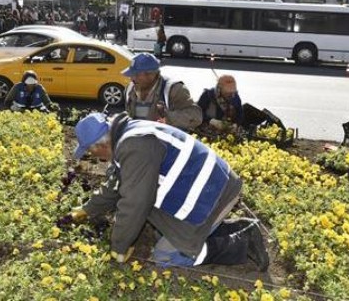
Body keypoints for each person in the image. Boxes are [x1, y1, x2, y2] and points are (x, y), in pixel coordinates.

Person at [58, 112, 269, 271]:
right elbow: (115, 187)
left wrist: (120, 245)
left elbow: (136, 202)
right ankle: (236, 228)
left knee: (166, 256)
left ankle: (242, 243)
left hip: (213, 194)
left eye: (90, 152)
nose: (93, 157)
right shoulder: (125, 136)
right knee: (157, 223)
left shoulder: (134, 146)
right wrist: (86, 210)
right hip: (207, 187)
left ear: (100, 145)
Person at [123, 53, 202, 131]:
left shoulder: (174, 89)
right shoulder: (130, 89)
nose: (132, 78)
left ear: (151, 74)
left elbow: (195, 116)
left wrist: (168, 119)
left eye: (136, 75)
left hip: (164, 142)